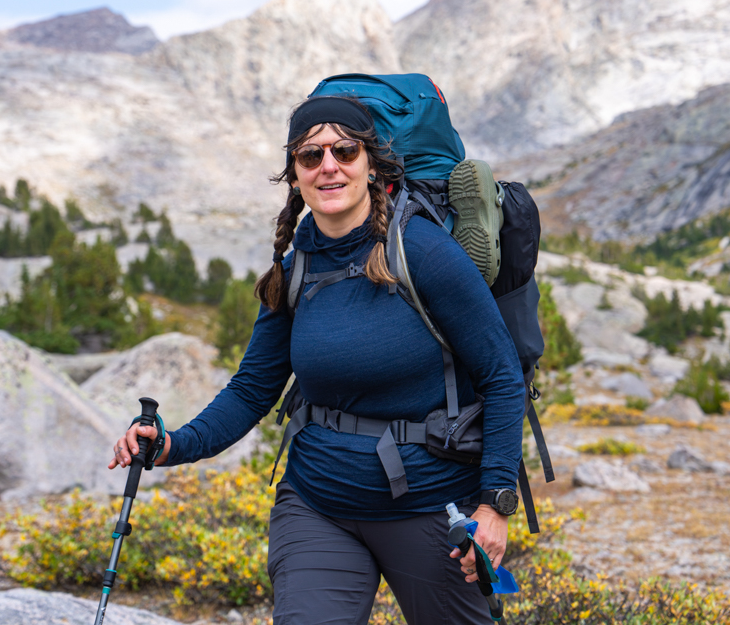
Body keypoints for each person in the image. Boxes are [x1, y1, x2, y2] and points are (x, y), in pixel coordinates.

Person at [110, 94, 526, 624]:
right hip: (317, 504)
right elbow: (251, 390)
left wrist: (493, 504)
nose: (328, 166)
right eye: (311, 156)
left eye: (345, 151)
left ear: (370, 164)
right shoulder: (295, 266)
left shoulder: (422, 251)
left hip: (431, 508)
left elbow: (502, 376)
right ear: (295, 175)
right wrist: (173, 444)